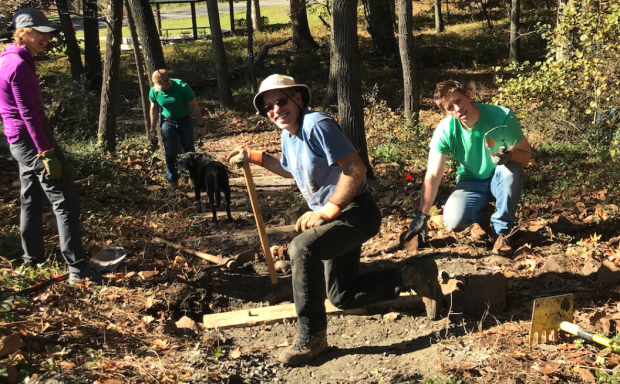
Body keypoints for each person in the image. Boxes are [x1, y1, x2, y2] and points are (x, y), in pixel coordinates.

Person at [226, 74, 443, 366]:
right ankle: (413, 275)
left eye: (281, 102)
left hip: (356, 212)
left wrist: (327, 210)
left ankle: (311, 338)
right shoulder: (289, 134)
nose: (276, 110)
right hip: (334, 218)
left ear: (298, 99)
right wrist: (252, 156)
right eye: (269, 107)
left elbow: (355, 168)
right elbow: (290, 170)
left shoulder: (316, 124)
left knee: (301, 249)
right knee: (342, 296)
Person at [0, 8, 101, 285]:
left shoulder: (9, 59)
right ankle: (79, 270)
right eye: (41, 33)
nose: (48, 37)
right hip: (31, 138)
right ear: (24, 33)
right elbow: (28, 113)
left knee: (31, 197)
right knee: (65, 199)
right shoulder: (18, 66)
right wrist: (45, 152)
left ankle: (31, 259)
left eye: (48, 32)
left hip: (18, 138)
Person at [403, 80, 532, 256]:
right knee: (454, 221)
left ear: (468, 96)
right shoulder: (445, 130)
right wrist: (422, 216)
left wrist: (509, 155)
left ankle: (503, 233)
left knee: (510, 170)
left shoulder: (502, 117)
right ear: (445, 112)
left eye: (459, 101)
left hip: (499, 178)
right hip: (471, 181)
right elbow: (433, 174)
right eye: (450, 107)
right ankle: (484, 218)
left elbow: (526, 155)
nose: (457, 108)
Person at [148, 69, 205, 185]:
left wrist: (201, 125)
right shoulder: (154, 91)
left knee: (189, 152)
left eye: (162, 85)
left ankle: (193, 179)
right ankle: (173, 180)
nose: (161, 89)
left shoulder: (182, 87)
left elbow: (195, 106)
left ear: (168, 80)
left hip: (185, 121)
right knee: (170, 153)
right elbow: (153, 109)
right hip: (167, 122)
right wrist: (152, 129)